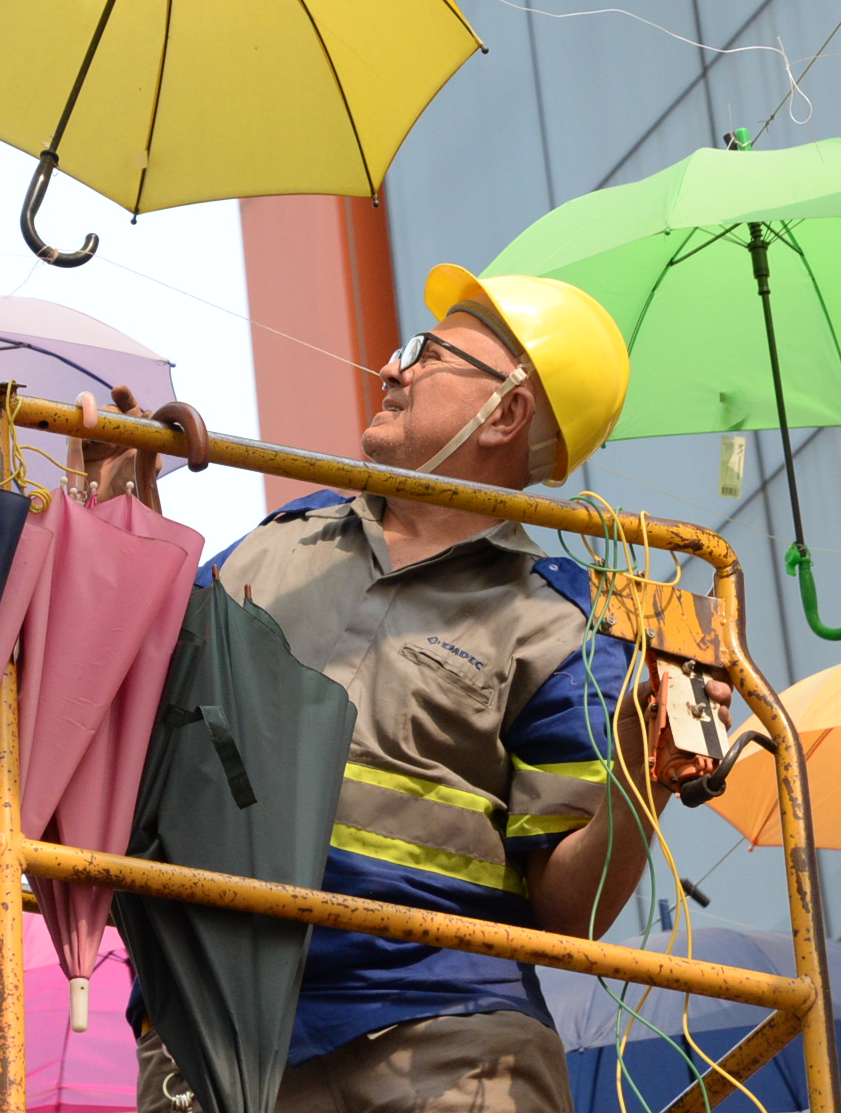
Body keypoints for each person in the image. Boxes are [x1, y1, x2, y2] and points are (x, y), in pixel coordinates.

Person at [112, 262, 689, 1113]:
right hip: (209, 1021)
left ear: (507, 410)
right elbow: (133, 719)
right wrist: (119, 516)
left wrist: (643, 772)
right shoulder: (273, 549)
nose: (391, 369)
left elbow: (569, 916)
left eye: (427, 353)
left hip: (446, 1041)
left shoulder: (560, 623)